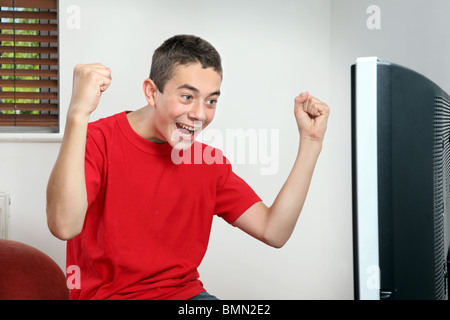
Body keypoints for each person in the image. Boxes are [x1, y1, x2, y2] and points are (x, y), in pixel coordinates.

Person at [46, 34, 330, 300]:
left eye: (211, 101)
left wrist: (311, 141)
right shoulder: (96, 139)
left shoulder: (209, 163)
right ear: (150, 92)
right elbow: (63, 225)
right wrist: (77, 114)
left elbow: (274, 231)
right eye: (187, 97)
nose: (199, 114)